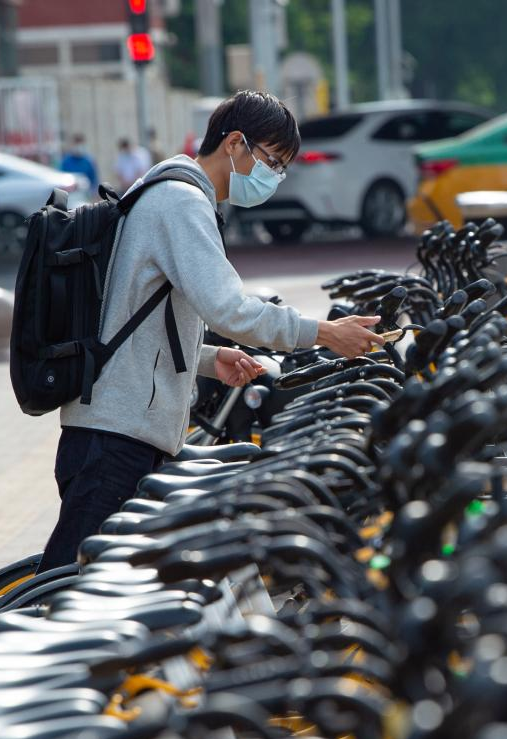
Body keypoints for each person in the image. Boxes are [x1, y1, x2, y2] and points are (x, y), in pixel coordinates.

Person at [37, 91, 381, 573]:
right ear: (234, 143)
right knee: (69, 589)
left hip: (126, 428)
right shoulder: (181, 201)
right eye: (272, 161)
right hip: (114, 434)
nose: (274, 177)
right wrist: (323, 333)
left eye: (282, 169)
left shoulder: (169, 189)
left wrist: (206, 358)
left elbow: (133, 315)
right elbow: (230, 309)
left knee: (105, 583)